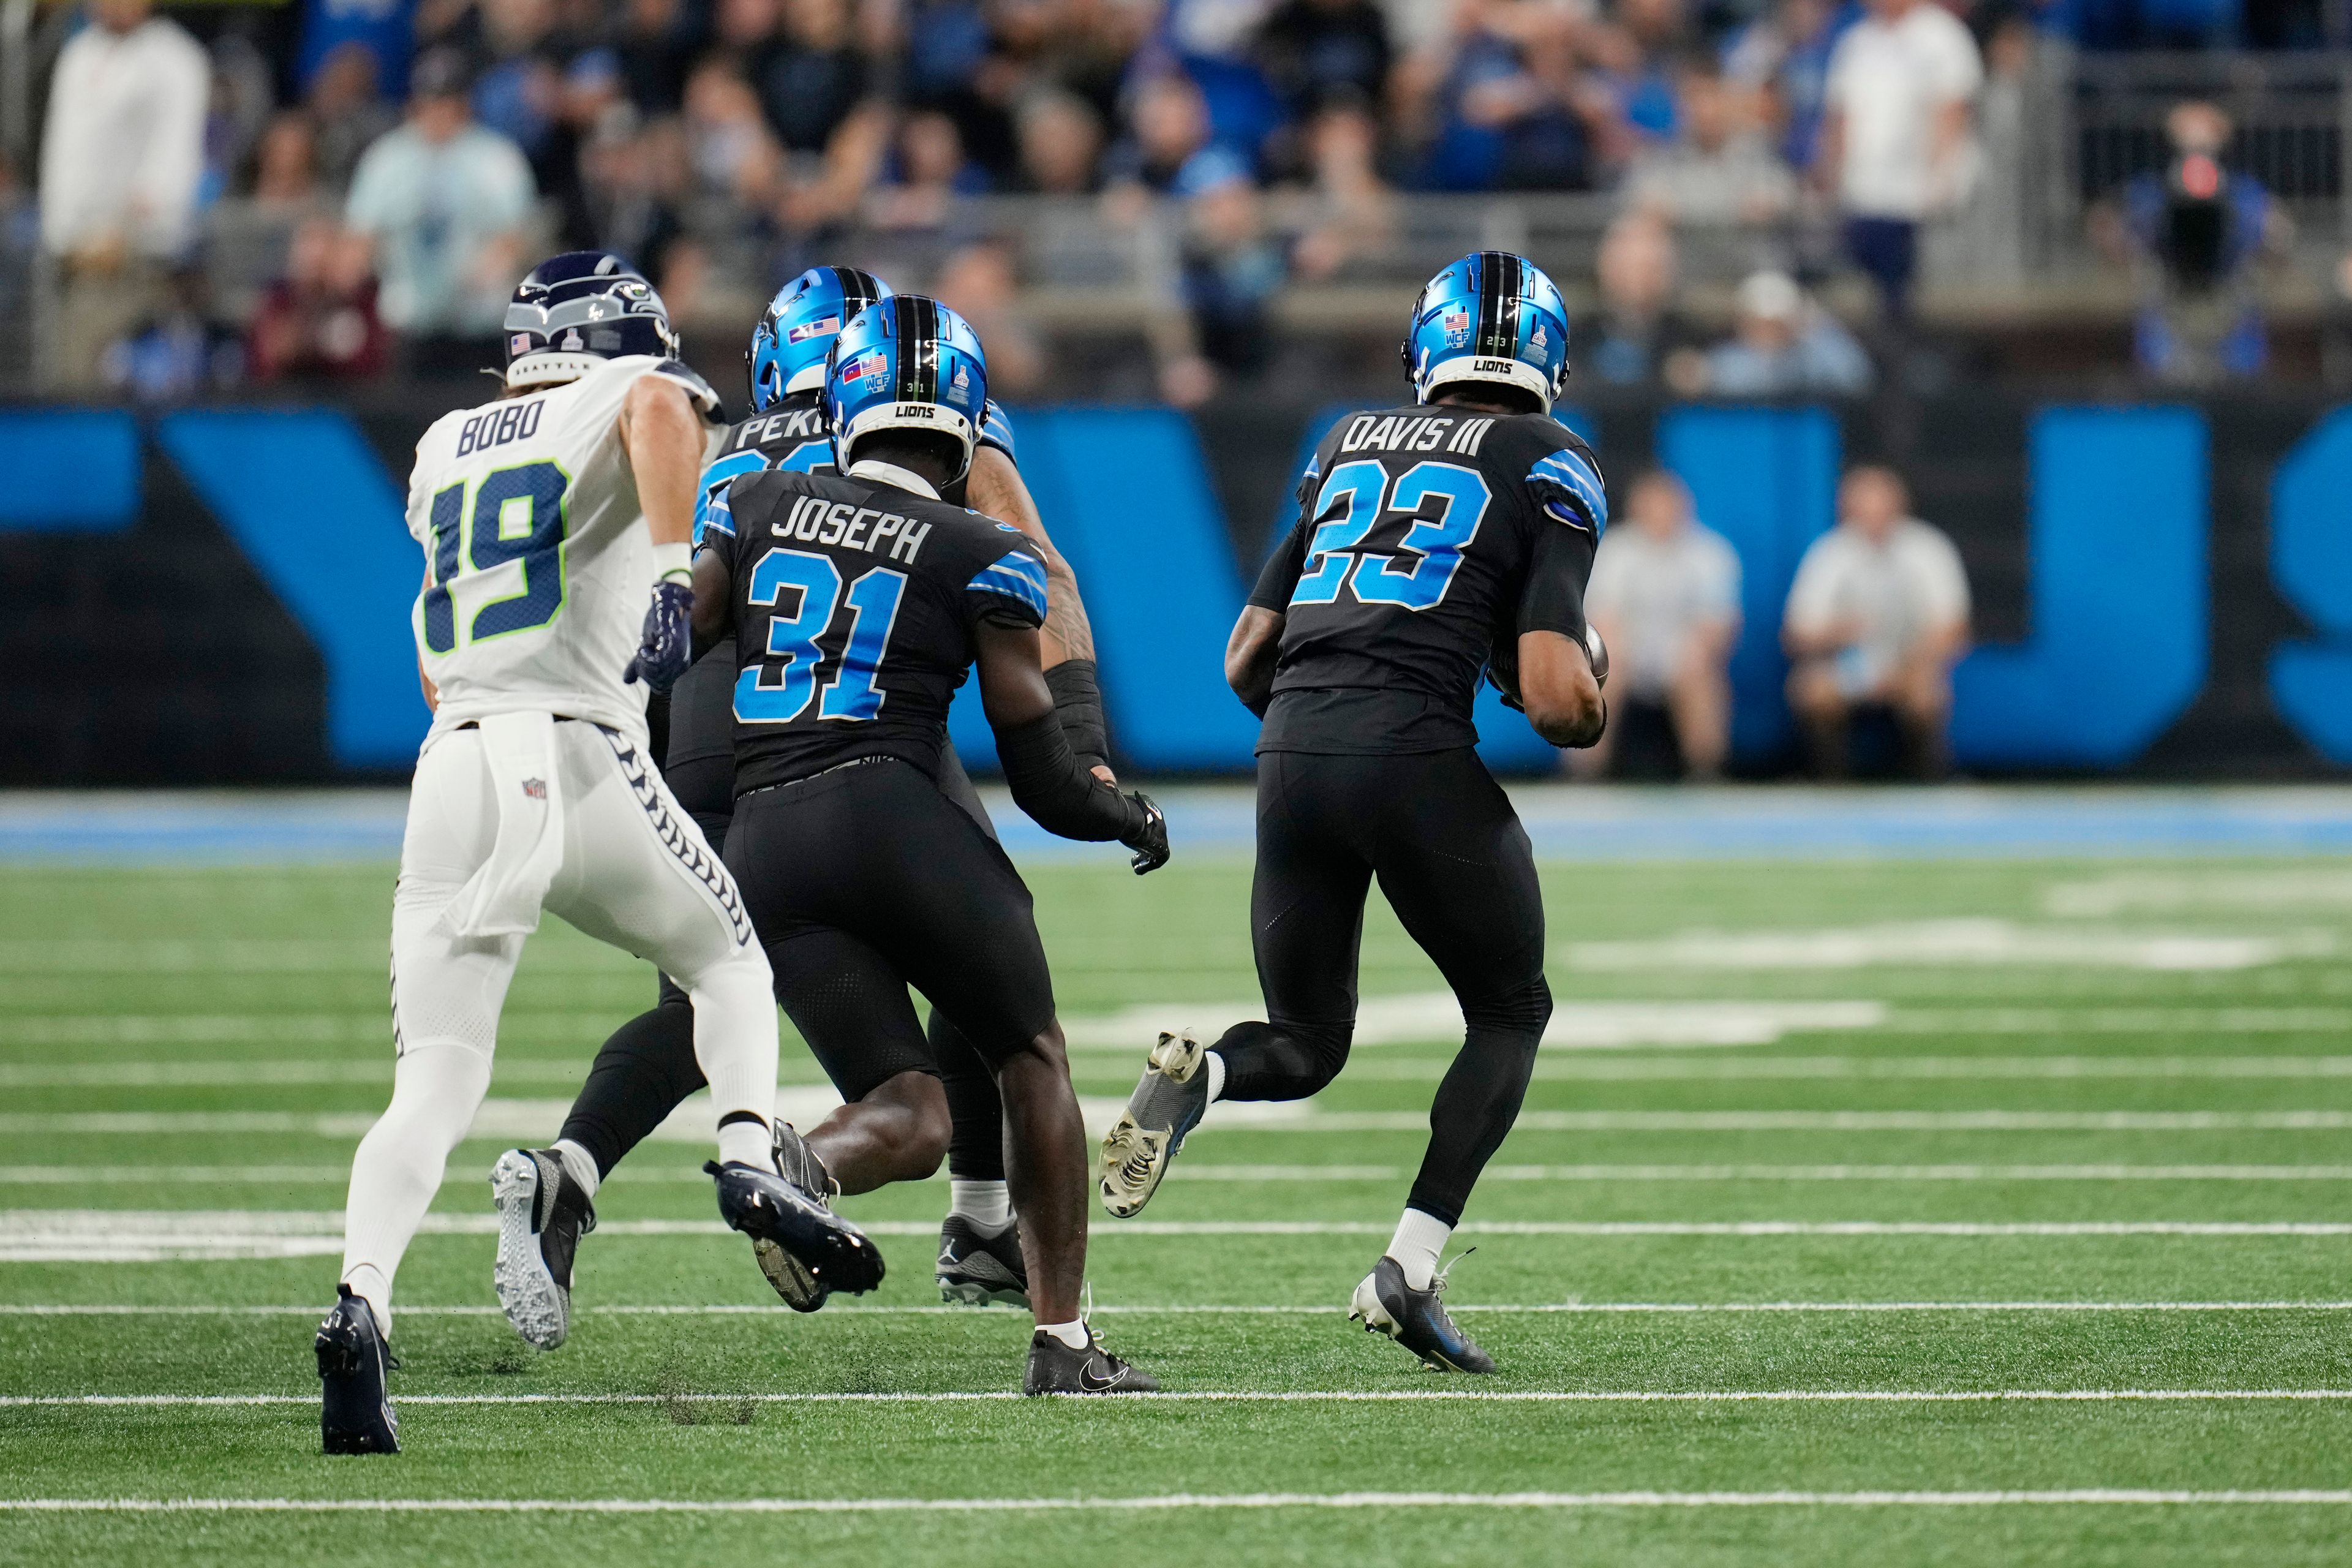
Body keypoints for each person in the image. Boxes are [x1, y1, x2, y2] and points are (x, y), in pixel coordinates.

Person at [495, 265, 1111, 1333]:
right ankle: (974, 1219)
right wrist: (1086, 746)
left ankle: (574, 1168)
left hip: (697, 723)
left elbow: (639, 603)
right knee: (985, 955)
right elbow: (1041, 570)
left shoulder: (717, 449)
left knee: (711, 990)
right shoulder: (916, 427)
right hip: (853, 728)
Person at [316, 252, 844, 1455]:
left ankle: (362, 1300)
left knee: (435, 1080)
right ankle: (751, 1153)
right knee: (727, 963)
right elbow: (663, 406)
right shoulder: (621, 393)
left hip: (454, 761)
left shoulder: (447, 440)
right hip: (576, 748)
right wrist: (667, 574)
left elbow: (434, 651)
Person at [1097, 251, 1608, 1375]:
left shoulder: (1347, 442)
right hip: (1412, 750)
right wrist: (1567, 687)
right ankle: (1407, 1268)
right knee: (1511, 1008)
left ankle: (1204, 1076)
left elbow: (1244, 660)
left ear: (1423, 349)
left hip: (1290, 753)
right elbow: (1565, 696)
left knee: (1306, 1040)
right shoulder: (1553, 458)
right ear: (1547, 359)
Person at [693, 296, 1170, 1393]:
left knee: (910, 1111)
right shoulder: (983, 552)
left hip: (763, 834)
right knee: (1030, 1056)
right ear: (965, 418)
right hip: (894, 812)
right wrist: (1124, 813)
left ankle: (797, 1166)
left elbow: (681, 640)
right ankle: (1062, 1344)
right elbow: (1040, 772)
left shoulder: (754, 497)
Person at [36, 0, 209, 390]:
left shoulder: (176, 59)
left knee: (109, 397)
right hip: (66, 260)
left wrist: (127, 233)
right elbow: (61, 154)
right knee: (63, 389)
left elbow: (174, 164)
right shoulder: (78, 53)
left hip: (134, 265)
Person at [343, 48, 537, 371]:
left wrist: (479, 272)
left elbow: (517, 236)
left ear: (465, 104)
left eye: (447, 101)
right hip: (408, 322)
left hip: (479, 323)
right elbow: (360, 237)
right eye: (431, 101)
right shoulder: (387, 160)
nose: (438, 112)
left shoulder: (497, 159)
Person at [1784, 464, 1970, 779]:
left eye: (1881, 504)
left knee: (1927, 692)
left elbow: (1954, 630)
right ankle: (1829, 780)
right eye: (1863, 505)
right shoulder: (1829, 553)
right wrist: (1838, 633)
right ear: (1847, 509)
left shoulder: (1929, 549)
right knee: (1812, 690)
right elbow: (1796, 634)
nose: (1874, 515)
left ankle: (1927, 780)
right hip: (1849, 669)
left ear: (1899, 505)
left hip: (1911, 665)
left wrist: (1912, 664)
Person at [1819, 0, 1981, 321]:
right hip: (1864, 187)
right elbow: (1839, 115)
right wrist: (1830, 170)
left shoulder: (1941, 34)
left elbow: (1952, 108)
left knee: (1909, 287)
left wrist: (1940, 175)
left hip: (1916, 189)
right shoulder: (1857, 41)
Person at [1577, 469, 1740, 780]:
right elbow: (1602, 619)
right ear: (1637, 508)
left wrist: (1695, 653)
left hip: (1685, 657)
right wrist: (1613, 657)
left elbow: (1719, 625)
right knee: (1601, 669)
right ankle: (1586, 771)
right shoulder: (1616, 551)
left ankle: (1706, 770)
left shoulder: (1711, 553)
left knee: (1696, 666)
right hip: (1626, 655)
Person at [1694, 268, 1872, 395]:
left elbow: (1856, 378)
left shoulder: (1812, 359)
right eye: (1759, 322)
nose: (1767, 332)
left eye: (1776, 323)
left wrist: (1818, 328)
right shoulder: (1726, 362)